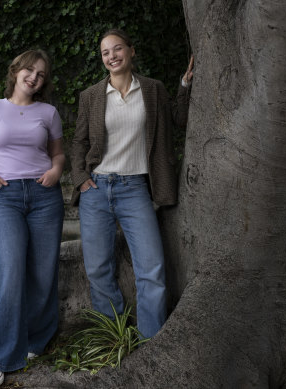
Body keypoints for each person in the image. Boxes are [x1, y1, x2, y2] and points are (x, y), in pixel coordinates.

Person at [70, 29, 194, 339]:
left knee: (151, 271)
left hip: (136, 189)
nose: (111, 56)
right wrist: (81, 179)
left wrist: (185, 85)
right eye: (105, 53)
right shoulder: (91, 96)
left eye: (117, 49)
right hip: (96, 190)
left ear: (131, 51)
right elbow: (78, 143)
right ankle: (115, 337)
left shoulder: (153, 90)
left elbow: (179, 120)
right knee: (98, 269)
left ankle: (151, 343)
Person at [0, 49, 65, 387]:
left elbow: (58, 154)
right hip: (5, 196)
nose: (34, 77)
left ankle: (35, 339)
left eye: (41, 74)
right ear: (16, 70)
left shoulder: (49, 112)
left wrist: (55, 171)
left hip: (44, 197)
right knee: (9, 269)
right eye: (29, 70)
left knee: (42, 270)